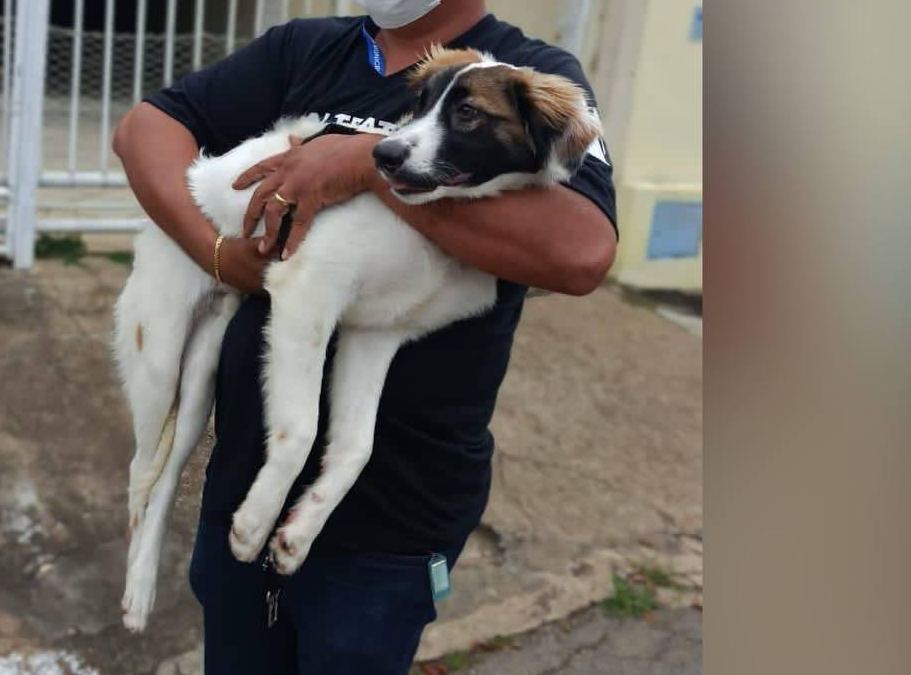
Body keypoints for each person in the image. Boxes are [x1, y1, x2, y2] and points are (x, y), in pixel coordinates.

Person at [112, 1, 617, 673]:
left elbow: (582, 251)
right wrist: (216, 254)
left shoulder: (532, 74)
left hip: (394, 515)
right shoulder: (308, 49)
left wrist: (365, 165)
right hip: (242, 476)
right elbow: (147, 128)